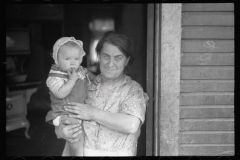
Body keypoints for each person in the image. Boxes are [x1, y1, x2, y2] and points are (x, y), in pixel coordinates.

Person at [54, 31, 149, 156]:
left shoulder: (133, 90)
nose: (110, 63)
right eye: (105, 56)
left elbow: (131, 125)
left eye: (118, 58)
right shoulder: (82, 83)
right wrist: (60, 130)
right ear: (99, 56)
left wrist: (92, 113)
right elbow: (62, 114)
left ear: (127, 61)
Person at [45, 37, 98, 156]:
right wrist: (72, 80)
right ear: (57, 59)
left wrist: (95, 78)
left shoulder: (79, 70)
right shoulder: (55, 77)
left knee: (83, 134)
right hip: (64, 112)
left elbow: (87, 73)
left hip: (77, 110)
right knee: (75, 136)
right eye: (67, 59)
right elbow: (60, 93)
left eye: (76, 58)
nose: (73, 62)